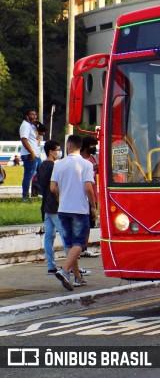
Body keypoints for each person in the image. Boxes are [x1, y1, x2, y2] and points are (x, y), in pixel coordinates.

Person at [51, 135, 98, 290]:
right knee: (80, 244)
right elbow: (88, 188)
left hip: (63, 209)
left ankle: (77, 277)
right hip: (79, 209)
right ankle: (64, 270)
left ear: (68, 146)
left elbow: (52, 188)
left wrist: (63, 192)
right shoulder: (86, 164)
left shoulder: (58, 164)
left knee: (71, 244)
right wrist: (93, 205)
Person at [39, 139, 68, 274]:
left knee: (49, 236)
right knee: (65, 235)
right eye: (57, 149)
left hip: (46, 205)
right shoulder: (54, 166)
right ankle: (71, 266)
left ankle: (51, 265)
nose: (59, 152)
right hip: (55, 205)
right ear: (51, 152)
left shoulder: (41, 165)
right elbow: (55, 187)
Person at [80, 136, 100, 258]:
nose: (94, 148)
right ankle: (77, 248)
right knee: (80, 224)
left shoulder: (93, 158)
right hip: (82, 195)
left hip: (93, 194)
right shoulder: (80, 159)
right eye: (93, 146)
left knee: (88, 224)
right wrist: (92, 168)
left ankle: (84, 248)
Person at [19, 109, 41, 201]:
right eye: (32, 115)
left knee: (41, 174)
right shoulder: (25, 126)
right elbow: (24, 139)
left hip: (36, 155)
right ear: (27, 116)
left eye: (35, 115)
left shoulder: (32, 126)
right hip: (30, 155)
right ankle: (25, 197)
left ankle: (36, 194)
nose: (35, 116)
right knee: (28, 176)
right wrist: (31, 152)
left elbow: (38, 135)